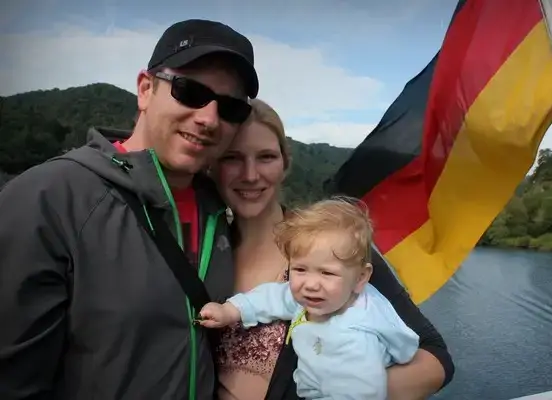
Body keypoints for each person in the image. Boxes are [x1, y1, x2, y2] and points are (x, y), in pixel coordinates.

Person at [0, 19, 258, 400]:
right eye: (190, 91)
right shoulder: (48, 198)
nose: (208, 118)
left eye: (231, 107)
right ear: (145, 88)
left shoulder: (222, 211)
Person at [211, 98, 455, 400]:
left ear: (285, 164)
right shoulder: (204, 251)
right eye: (232, 157)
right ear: (213, 165)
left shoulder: (333, 248)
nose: (250, 174)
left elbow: (435, 358)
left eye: (266, 157)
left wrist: (352, 391)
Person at [198, 198, 421, 399]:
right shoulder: (323, 297)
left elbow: (362, 393)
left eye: (327, 273)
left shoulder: (356, 340)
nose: (311, 284)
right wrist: (229, 311)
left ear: (361, 277)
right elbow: (273, 297)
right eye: (300, 269)